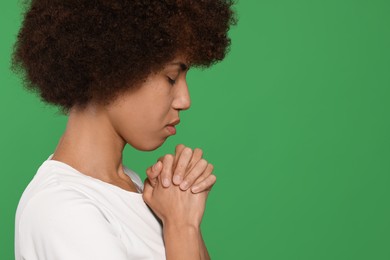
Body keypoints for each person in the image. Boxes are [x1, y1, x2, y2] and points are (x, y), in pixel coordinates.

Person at [12, 0, 236, 259]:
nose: (185, 100)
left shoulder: (136, 189)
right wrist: (181, 226)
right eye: (171, 77)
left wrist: (186, 221)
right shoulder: (61, 210)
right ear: (111, 66)